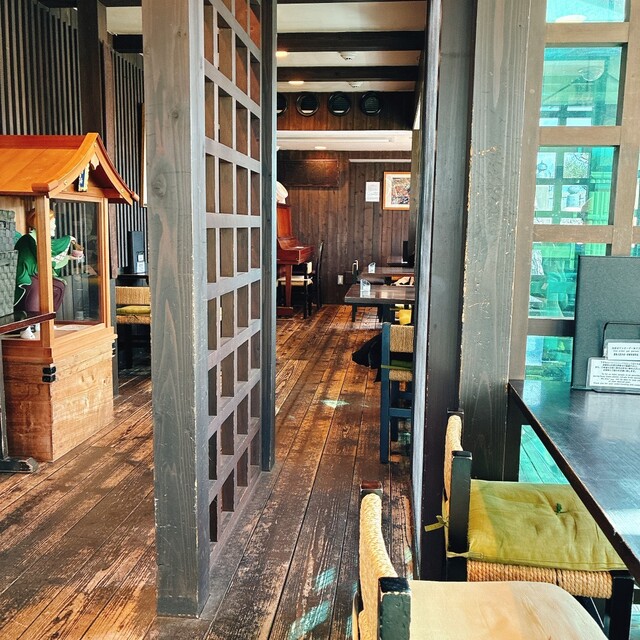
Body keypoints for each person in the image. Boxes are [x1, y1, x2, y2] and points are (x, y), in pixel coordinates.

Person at [14, 208, 82, 338]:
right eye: (53, 222)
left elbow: (50, 258)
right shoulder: (29, 238)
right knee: (35, 289)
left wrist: (68, 257)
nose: (55, 226)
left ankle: (43, 320)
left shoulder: (40, 238)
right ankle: (25, 328)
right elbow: (46, 255)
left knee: (59, 286)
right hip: (26, 274)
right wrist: (67, 239)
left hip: (38, 273)